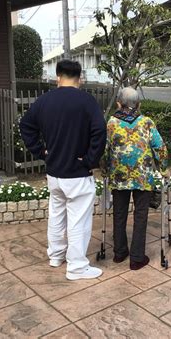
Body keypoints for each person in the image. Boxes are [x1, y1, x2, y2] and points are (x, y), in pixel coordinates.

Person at [20, 60, 107, 280]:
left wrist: (41, 152)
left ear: (57, 76)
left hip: (54, 173)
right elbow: (99, 132)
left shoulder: (44, 101)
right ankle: (76, 267)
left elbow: (26, 126)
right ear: (80, 78)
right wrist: (89, 160)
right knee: (78, 220)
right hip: (77, 173)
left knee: (57, 215)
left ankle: (56, 255)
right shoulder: (87, 101)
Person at [103, 87, 168, 270]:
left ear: (118, 103)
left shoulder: (112, 123)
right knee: (141, 215)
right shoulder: (146, 122)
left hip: (119, 176)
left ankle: (119, 252)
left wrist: (106, 170)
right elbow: (160, 147)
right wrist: (163, 168)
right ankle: (137, 258)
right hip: (143, 177)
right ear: (138, 104)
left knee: (119, 214)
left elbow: (104, 150)